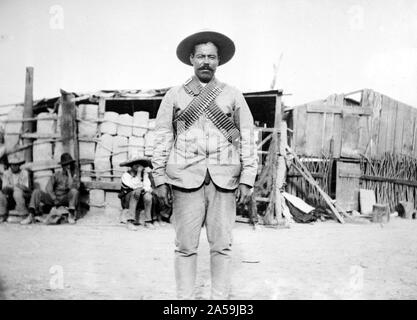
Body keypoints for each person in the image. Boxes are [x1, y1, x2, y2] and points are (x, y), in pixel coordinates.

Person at [152, 31, 258, 299]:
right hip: (184, 180)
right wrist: (160, 179)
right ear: (191, 59)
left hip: (224, 181)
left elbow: (246, 138)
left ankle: (219, 303)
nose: (206, 62)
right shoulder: (174, 96)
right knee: (185, 247)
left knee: (221, 247)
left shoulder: (233, 95)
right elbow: (163, 138)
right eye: (201, 56)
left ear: (218, 61)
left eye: (211, 56)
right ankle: (185, 302)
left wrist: (247, 178)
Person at [21, 153, 79, 225]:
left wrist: (69, 174)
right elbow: (48, 188)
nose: (68, 166)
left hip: (65, 199)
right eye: (66, 164)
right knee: (36, 192)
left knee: (74, 191)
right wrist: (54, 198)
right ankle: (31, 215)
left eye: (70, 164)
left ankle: (71, 215)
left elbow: (73, 187)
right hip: (54, 199)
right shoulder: (56, 175)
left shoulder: (74, 176)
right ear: (62, 166)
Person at [118, 157, 155, 230]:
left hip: (139, 198)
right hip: (127, 200)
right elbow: (134, 186)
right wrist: (138, 173)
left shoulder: (144, 175)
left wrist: (145, 190)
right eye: (135, 165)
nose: (138, 167)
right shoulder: (126, 175)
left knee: (148, 196)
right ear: (131, 166)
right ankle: (130, 221)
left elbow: (147, 186)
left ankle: (148, 221)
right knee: (136, 191)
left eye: (139, 165)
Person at [0, 155, 31, 223]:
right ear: (10, 165)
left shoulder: (24, 173)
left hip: (24, 194)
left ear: (19, 165)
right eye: (12, 165)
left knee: (17, 192)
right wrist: (12, 187)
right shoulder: (6, 173)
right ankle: (2, 215)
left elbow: (26, 187)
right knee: (1, 194)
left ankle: (24, 215)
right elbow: (4, 187)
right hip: (11, 195)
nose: (14, 166)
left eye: (16, 165)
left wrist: (15, 187)